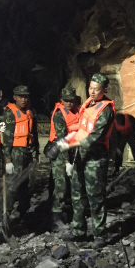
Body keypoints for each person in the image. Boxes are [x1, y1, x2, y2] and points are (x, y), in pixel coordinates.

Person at [57, 74, 115, 249]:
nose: (92, 91)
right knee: (77, 195)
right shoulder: (88, 104)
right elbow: (81, 128)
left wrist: (68, 145)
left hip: (95, 160)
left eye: (96, 89)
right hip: (81, 157)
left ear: (104, 90)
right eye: (91, 87)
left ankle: (99, 234)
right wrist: (66, 139)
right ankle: (78, 231)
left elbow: (93, 138)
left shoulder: (106, 110)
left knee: (95, 198)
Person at [0, 85, 39, 223]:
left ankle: (23, 211)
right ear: (15, 97)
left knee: (25, 184)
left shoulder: (30, 112)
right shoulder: (10, 113)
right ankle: (5, 214)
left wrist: (36, 151)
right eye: (20, 96)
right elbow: (7, 139)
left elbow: (34, 133)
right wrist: (7, 160)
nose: (23, 99)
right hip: (15, 153)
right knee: (12, 185)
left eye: (25, 96)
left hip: (27, 152)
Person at [46, 87, 80, 231]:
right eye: (65, 100)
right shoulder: (59, 115)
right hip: (60, 153)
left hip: (73, 151)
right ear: (62, 100)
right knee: (60, 186)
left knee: (71, 185)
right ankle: (56, 218)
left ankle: (66, 212)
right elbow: (62, 140)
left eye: (71, 100)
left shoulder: (78, 112)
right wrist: (67, 162)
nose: (68, 103)